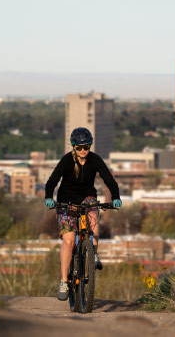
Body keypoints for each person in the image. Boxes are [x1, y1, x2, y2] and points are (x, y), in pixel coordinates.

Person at [44, 127, 122, 301]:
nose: (83, 150)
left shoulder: (95, 160)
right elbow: (52, 181)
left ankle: (93, 253)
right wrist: (49, 197)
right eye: (79, 147)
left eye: (86, 146)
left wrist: (116, 197)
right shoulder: (66, 161)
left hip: (87, 198)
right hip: (66, 201)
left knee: (93, 220)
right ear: (73, 147)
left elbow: (109, 180)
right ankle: (64, 281)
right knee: (69, 241)